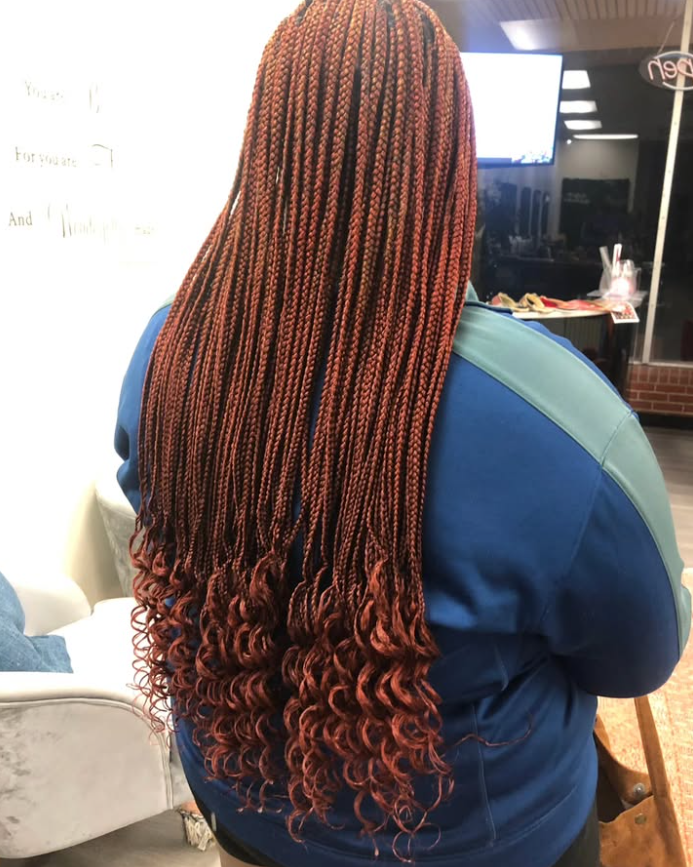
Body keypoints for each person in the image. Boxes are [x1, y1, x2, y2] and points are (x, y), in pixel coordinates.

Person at [115, 1, 690, 865]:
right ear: (449, 168)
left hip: (242, 816)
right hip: (480, 843)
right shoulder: (557, 420)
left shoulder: (167, 349)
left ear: (265, 147)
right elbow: (638, 657)